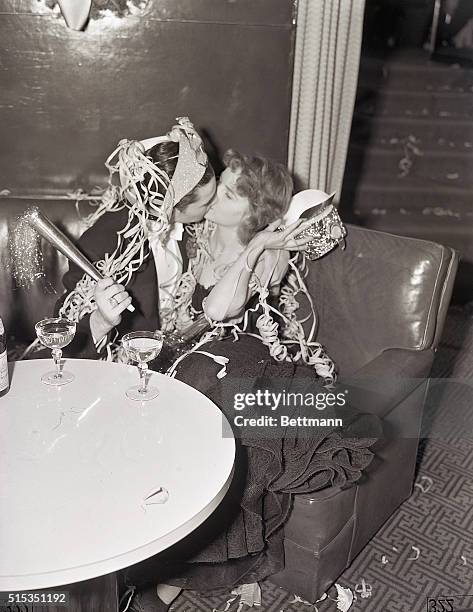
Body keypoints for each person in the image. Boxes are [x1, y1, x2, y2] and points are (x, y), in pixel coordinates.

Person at [122, 152, 380, 611]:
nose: (213, 195)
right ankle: (141, 546)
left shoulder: (271, 253)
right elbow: (180, 317)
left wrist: (258, 246)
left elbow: (222, 312)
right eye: (220, 185)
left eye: (226, 193)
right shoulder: (195, 235)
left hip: (245, 355)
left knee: (203, 388)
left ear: (253, 211)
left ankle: (174, 580)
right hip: (191, 351)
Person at [55, 117, 217, 358]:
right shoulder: (105, 242)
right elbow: (66, 330)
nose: (214, 207)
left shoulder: (194, 226)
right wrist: (100, 321)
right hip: (129, 365)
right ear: (169, 207)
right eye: (207, 203)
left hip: (183, 349)